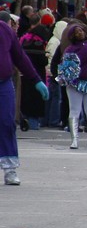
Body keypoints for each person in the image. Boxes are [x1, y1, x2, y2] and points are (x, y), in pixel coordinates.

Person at [0, 10, 49, 186]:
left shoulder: (5, 31)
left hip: (3, 83)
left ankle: (10, 169)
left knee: (7, 122)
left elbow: (20, 58)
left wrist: (36, 80)